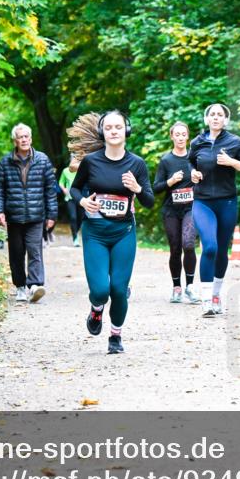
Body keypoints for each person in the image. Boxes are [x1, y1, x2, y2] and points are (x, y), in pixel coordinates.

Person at [69, 110, 154, 354]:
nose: (114, 131)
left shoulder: (137, 164)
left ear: (126, 130)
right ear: (102, 132)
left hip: (123, 232)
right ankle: (96, 309)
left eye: (118, 127)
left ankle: (115, 336)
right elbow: (75, 189)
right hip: (95, 232)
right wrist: (83, 202)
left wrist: (137, 188)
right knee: (100, 291)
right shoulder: (91, 161)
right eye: (108, 128)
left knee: (118, 289)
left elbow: (149, 201)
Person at [188, 103, 240, 316]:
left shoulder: (237, 142)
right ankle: (206, 300)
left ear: (226, 120)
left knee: (221, 250)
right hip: (202, 202)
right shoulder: (197, 142)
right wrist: (192, 173)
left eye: (220, 115)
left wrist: (233, 162)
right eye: (212, 114)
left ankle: (216, 295)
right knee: (209, 247)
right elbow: (190, 162)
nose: (216, 117)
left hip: (227, 203)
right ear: (206, 119)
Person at [0, 123, 57, 303]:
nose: (24, 139)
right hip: (14, 216)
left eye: (26, 136)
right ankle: (20, 286)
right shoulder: (5, 162)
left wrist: (52, 215)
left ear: (31, 139)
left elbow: (50, 190)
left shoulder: (42, 160)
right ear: (15, 141)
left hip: (36, 215)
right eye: (20, 137)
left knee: (35, 251)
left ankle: (35, 285)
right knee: (16, 253)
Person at [153, 122, 200, 304]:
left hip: (191, 208)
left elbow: (206, 180)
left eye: (183, 134)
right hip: (171, 210)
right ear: (172, 136)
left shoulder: (194, 159)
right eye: (177, 134)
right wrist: (170, 181)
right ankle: (177, 288)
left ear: (187, 136)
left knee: (188, 244)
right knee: (175, 248)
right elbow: (156, 188)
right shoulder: (166, 160)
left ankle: (190, 286)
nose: (180, 137)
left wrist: (200, 178)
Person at [58, 156, 82, 247]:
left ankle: (76, 232)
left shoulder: (82, 170)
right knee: (73, 217)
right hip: (69, 198)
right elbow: (61, 182)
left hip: (80, 198)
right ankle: (75, 237)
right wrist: (64, 189)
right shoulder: (65, 171)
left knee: (80, 218)